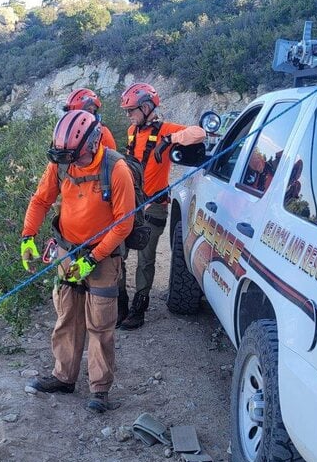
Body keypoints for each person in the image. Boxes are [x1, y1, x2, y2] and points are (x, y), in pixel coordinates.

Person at [21, 109, 135, 413]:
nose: (70, 163)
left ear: (93, 143)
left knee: (100, 324)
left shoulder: (116, 169)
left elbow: (124, 224)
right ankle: (64, 377)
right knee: (67, 316)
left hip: (104, 256)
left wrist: (93, 258)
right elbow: (41, 200)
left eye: (76, 157)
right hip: (68, 252)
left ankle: (100, 391)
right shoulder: (62, 163)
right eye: (66, 157)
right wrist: (27, 237)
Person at [116, 82, 206, 330]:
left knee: (145, 258)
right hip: (130, 204)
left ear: (146, 107)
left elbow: (199, 133)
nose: (128, 115)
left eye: (131, 110)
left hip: (155, 204)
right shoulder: (132, 132)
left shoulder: (165, 129)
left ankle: (139, 308)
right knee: (118, 254)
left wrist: (170, 139)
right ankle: (121, 302)